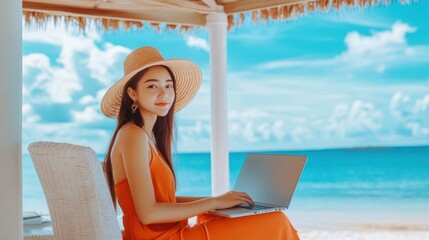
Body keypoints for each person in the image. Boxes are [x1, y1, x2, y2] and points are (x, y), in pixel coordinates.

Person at [101, 46, 300, 240]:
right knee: (276, 221)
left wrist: (219, 200)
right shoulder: (132, 136)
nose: (164, 93)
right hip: (162, 237)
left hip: (170, 232)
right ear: (132, 93)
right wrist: (213, 201)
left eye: (168, 85)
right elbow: (148, 214)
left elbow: (165, 202)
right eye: (152, 86)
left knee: (221, 215)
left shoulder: (146, 136)